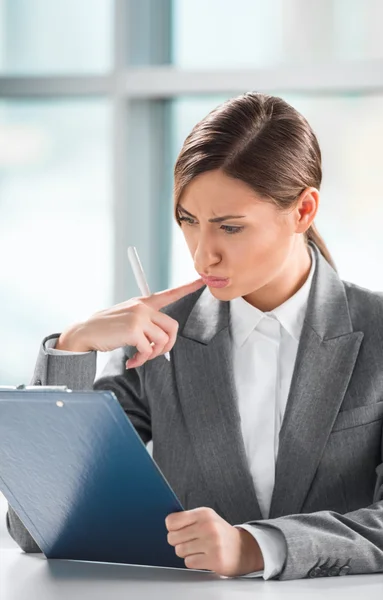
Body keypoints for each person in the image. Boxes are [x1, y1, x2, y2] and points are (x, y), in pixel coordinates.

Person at [6, 92, 383, 580]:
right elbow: (36, 527)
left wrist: (256, 547)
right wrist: (73, 346)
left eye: (230, 227)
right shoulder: (160, 339)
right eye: (188, 221)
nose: (204, 255)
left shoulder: (375, 331)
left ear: (304, 209)